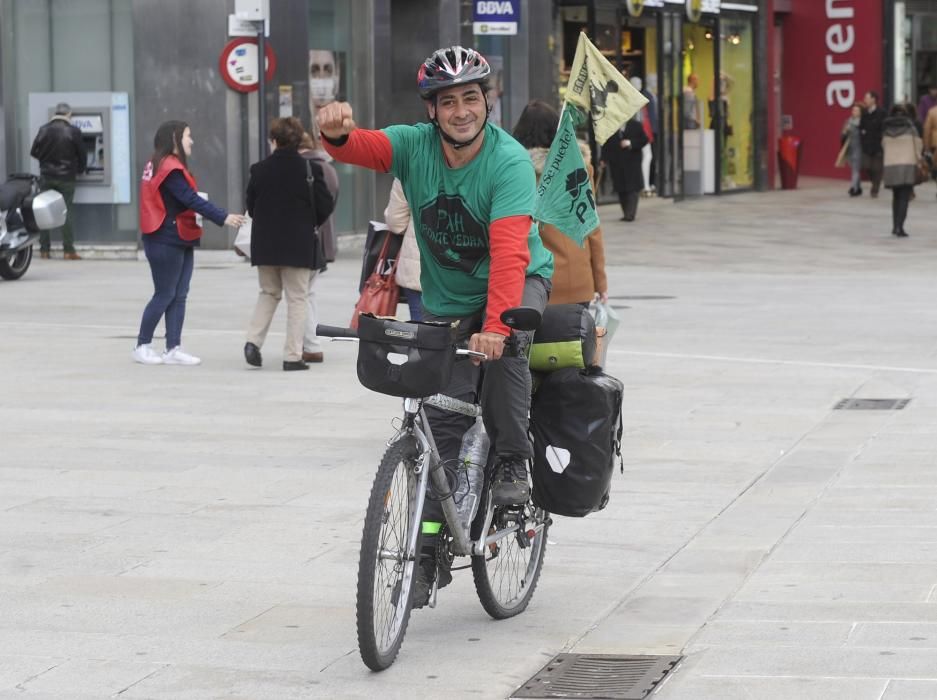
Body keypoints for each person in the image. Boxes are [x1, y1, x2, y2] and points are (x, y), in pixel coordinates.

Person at [317, 45, 553, 605]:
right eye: (448, 102)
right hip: (447, 298)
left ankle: (514, 468)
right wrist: (334, 131)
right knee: (442, 422)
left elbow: (509, 253)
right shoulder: (415, 146)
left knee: (508, 353)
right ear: (432, 110)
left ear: (488, 102)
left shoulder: (509, 161)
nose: (461, 111)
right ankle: (426, 551)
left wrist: (496, 327)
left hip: (515, 283)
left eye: (471, 97)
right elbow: (363, 147)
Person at [133, 121, 245, 365]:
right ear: (175, 139)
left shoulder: (159, 164)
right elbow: (190, 199)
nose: (191, 141)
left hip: (179, 236)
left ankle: (173, 348)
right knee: (164, 294)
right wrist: (223, 216)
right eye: (187, 136)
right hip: (165, 238)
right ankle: (142, 345)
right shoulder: (169, 168)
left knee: (179, 294)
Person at [243, 117, 334, 371]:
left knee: (268, 293)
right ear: (297, 141)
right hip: (298, 244)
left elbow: (251, 206)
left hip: (265, 245)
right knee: (297, 298)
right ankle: (292, 356)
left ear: (274, 141)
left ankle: (253, 342)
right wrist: (308, 222)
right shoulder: (310, 169)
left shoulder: (259, 169)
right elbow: (325, 205)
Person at [513, 100, 608, 306]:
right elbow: (592, 228)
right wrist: (600, 282)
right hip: (580, 281)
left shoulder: (517, 171)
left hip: (535, 284)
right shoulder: (579, 167)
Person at [299, 129, 340, 363]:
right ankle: (309, 341)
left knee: (303, 294)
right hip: (324, 238)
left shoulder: (305, 169)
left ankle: (310, 343)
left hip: (308, 238)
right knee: (309, 291)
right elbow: (332, 202)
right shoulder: (329, 168)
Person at [29, 102, 87, 260]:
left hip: (47, 177)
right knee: (65, 211)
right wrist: (80, 169)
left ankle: (44, 250)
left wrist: (45, 161)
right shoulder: (74, 131)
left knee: (43, 212)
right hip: (66, 178)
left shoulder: (44, 129)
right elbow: (82, 155)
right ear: (68, 115)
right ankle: (68, 250)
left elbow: (33, 151)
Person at [383, 178, 423, 320]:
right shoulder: (480, 164)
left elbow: (396, 222)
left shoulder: (409, 167)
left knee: (421, 331)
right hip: (466, 272)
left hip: (417, 267)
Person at [882, 104, 922, 238]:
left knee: (896, 196)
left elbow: (883, 145)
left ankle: (895, 226)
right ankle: (900, 227)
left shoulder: (886, 128)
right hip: (907, 165)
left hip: (891, 166)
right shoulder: (911, 128)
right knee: (904, 197)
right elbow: (918, 145)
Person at [601, 112, 649, 222]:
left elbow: (644, 140)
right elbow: (606, 145)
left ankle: (630, 214)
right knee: (621, 189)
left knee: (632, 189)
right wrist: (603, 159)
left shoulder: (636, 125)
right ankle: (626, 212)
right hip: (617, 163)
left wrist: (630, 143)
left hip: (632, 162)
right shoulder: (611, 127)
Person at [859, 90, 886, 198]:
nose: (865, 100)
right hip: (866, 145)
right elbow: (861, 126)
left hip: (878, 145)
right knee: (867, 167)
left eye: (867, 98)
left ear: (873, 99)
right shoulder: (864, 112)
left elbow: (884, 127)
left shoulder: (882, 112)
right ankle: (874, 182)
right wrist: (862, 134)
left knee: (877, 168)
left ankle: (875, 189)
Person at [841, 103, 864, 196]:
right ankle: (858, 187)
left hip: (859, 147)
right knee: (854, 168)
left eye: (856, 110)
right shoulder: (848, 121)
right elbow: (842, 135)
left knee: (855, 169)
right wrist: (844, 132)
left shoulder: (862, 122)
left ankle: (853, 188)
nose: (854, 112)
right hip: (849, 147)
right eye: (853, 110)